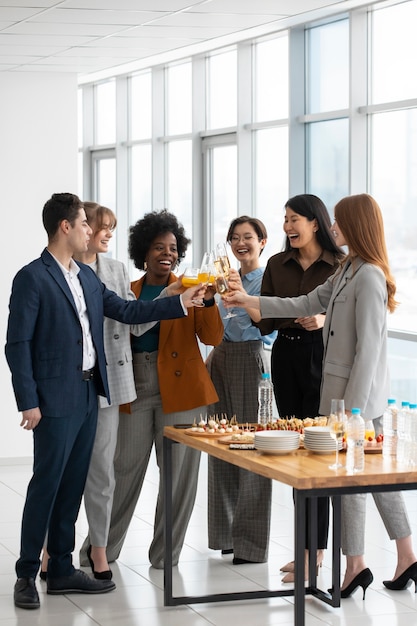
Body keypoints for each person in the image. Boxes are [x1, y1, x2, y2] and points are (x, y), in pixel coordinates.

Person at [5, 193, 205, 610]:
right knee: (47, 484)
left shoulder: (88, 276)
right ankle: (26, 573)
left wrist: (180, 302)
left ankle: (60, 568)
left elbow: (127, 313)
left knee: (74, 484)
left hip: (88, 393)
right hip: (52, 398)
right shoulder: (32, 277)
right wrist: (28, 401)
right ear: (65, 227)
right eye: (83, 224)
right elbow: (17, 344)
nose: (89, 231)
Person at [224, 193, 417, 598]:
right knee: (373, 481)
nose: (333, 227)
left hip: (357, 400)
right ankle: (402, 558)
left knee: (351, 479)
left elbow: (368, 349)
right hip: (346, 396)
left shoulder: (369, 276)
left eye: (339, 221)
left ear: (357, 225)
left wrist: (352, 413)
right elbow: (305, 301)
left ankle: (357, 564)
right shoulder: (350, 268)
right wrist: (248, 300)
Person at [80, 209, 224, 570]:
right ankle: (100, 551)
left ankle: (166, 556)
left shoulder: (195, 289)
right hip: (134, 387)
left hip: (184, 393)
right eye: (158, 246)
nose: (167, 253)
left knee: (178, 479)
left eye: (173, 247)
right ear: (143, 253)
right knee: (121, 471)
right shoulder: (124, 289)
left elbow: (213, 337)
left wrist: (207, 301)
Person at [256, 194, 344, 581]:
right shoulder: (277, 264)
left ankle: (317, 551)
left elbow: (347, 315)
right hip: (287, 357)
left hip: (324, 357)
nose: (288, 226)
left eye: (295, 219)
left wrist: (322, 319)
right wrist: (247, 304)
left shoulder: (340, 265)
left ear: (315, 222)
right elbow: (267, 320)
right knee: (295, 452)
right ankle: (306, 548)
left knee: (319, 453)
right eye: (285, 219)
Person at [206, 216, 276, 565]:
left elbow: (269, 327)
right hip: (218, 358)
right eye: (234, 237)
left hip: (251, 358)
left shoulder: (268, 279)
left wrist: (242, 297)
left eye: (248, 237)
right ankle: (226, 534)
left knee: (253, 447)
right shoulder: (222, 277)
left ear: (262, 241)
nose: (240, 243)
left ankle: (250, 543)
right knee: (220, 445)